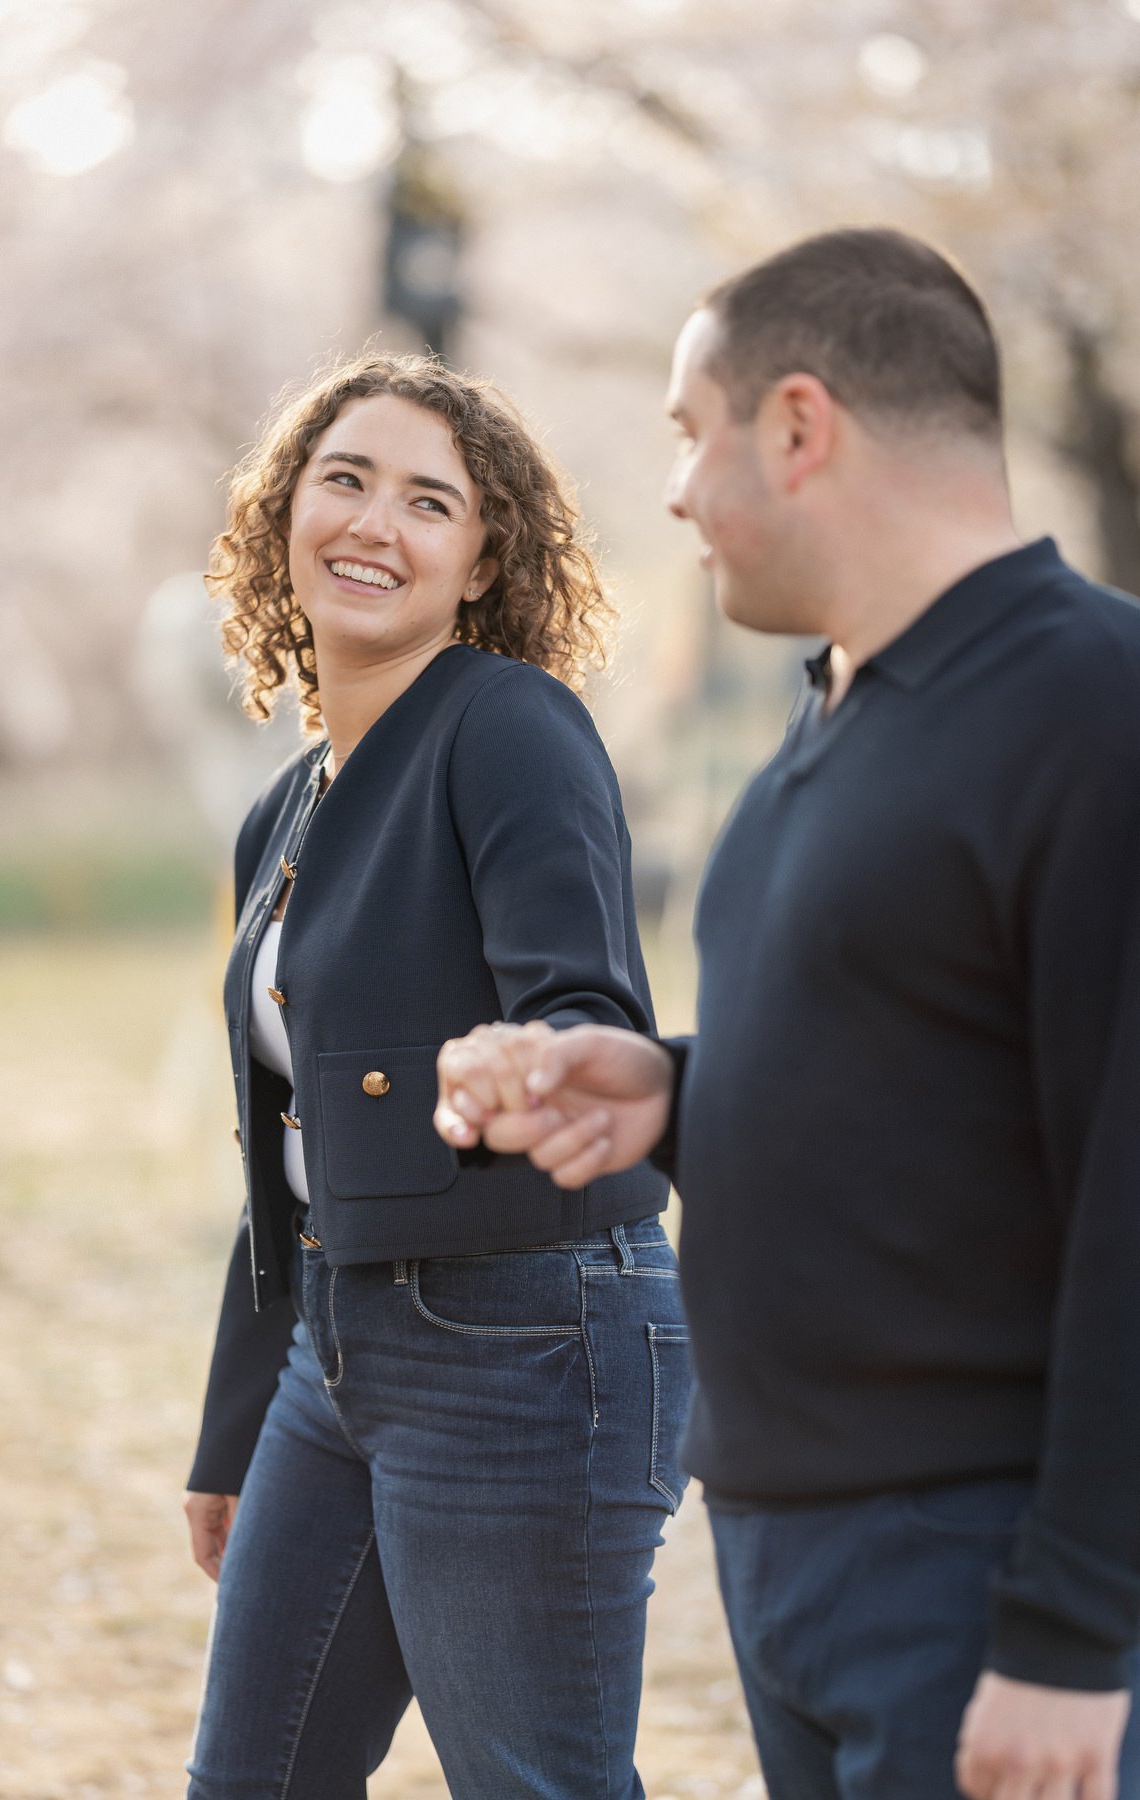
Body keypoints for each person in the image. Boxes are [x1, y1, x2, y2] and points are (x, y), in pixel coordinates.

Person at [434, 229, 1140, 1800]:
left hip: (984, 1577)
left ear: (801, 425)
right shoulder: (830, 728)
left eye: (693, 434)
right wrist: (677, 1095)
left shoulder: (1096, 710)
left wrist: (1077, 1635)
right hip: (792, 1567)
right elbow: (944, 1068)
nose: (676, 491)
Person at [183, 352, 692, 1800]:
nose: (373, 524)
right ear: (284, 513)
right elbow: (278, 1143)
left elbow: (584, 1004)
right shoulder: (283, 813)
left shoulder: (505, 725)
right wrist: (232, 1430)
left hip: (527, 1340)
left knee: (537, 1786)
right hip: (332, 1358)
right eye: (343, 479)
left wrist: (512, 1073)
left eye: (428, 501)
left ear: (479, 563)